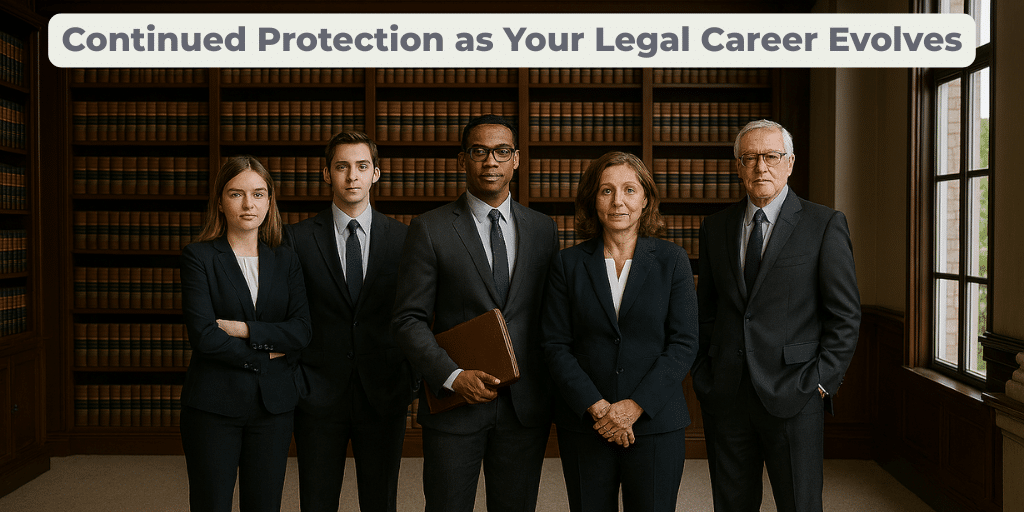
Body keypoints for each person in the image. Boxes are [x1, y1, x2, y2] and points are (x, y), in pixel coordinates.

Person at [391, 114, 559, 512]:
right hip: (455, 406)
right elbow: (408, 319)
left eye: (501, 151)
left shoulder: (543, 229)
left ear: (516, 159)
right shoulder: (429, 228)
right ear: (461, 159)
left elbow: (550, 318)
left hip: (523, 407)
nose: (491, 161)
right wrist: (451, 376)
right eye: (479, 151)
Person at [692, 119, 861, 512]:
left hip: (796, 391)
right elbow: (707, 311)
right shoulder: (715, 228)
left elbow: (845, 317)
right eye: (749, 158)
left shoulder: (823, 224)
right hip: (727, 394)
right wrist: (704, 374)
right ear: (738, 166)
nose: (760, 167)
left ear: (790, 163)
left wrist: (820, 383)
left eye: (771, 156)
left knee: (799, 504)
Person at [540, 151, 699, 512]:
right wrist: (598, 408)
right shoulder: (568, 264)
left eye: (629, 189)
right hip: (587, 424)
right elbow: (554, 344)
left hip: (656, 421)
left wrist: (634, 407)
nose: (618, 201)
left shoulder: (673, 261)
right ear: (592, 200)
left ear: (645, 199)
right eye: (606, 191)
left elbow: (684, 343)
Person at [283, 131, 414, 512]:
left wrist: (411, 380)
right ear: (327, 174)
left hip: (385, 391)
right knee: (317, 501)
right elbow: (287, 313)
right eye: (342, 167)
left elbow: (421, 314)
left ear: (376, 174)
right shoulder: (297, 238)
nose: (352, 176)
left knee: (381, 501)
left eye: (361, 166)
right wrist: (298, 381)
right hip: (317, 393)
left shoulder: (406, 238)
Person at [179, 155, 311, 512]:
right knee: (212, 503)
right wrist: (267, 350)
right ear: (221, 202)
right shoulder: (199, 257)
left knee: (264, 505)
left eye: (259, 193)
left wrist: (242, 329)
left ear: (270, 201)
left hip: (273, 408)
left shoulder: (286, 260)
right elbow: (205, 337)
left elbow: (301, 331)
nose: (249, 204)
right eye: (237, 194)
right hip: (213, 406)